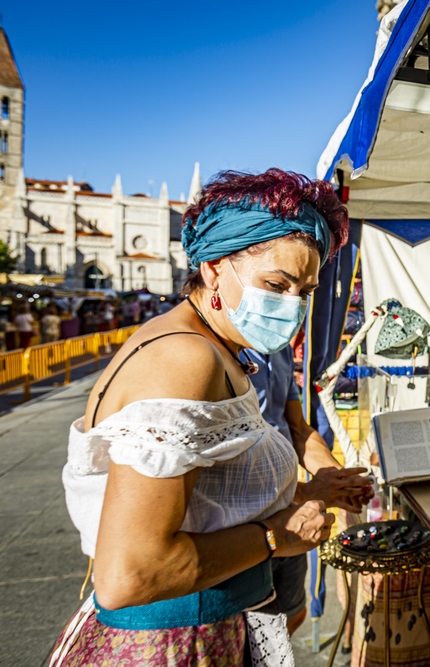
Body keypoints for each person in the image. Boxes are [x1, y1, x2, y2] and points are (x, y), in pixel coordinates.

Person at [54, 169, 373, 665]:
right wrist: (276, 536)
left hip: (242, 613)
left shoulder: (224, 349)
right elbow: (130, 574)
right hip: (183, 637)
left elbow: (211, 501)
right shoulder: (186, 360)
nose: (292, 306)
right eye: (276, 283)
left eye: (305, 291)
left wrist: (309, 493)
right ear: (213, 268)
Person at [243, 343, 368, 636]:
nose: (294, 300)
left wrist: (336, 478)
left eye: (305, 294)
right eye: (284, 292)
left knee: (290, 616)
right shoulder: (220, 352)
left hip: (289, 516)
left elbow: (297, 428)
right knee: (245, 633)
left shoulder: (279, 349)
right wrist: (306, 492)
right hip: (244, 527)